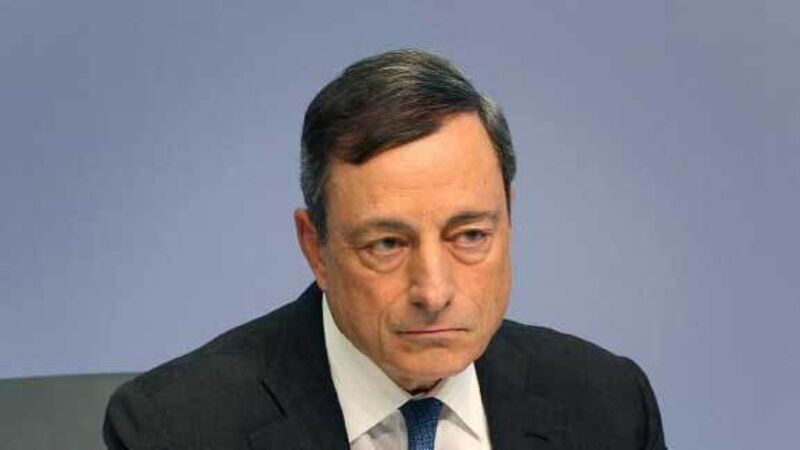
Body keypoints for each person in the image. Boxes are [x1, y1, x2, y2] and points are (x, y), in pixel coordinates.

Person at [104, 49, 667, 450]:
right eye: (388, 244)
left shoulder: (610, 407)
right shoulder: (174, 430)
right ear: (316, 248)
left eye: (470, 236)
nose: (434, 292)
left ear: (509, 223)